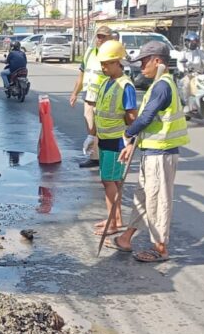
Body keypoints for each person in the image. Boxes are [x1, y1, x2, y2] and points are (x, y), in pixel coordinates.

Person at [110, 41, 189, 263]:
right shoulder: (157, 84)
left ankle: (160, 248)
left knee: (158, 201)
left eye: (144, 62)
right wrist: (132, 143)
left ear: (157, 60)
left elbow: (145, 118)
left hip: (161, 154)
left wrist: (127, 135)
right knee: (143, 198)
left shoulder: (163, 86)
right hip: (151, 152)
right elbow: (149, 121)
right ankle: (126, 238)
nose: (141, 67)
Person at [90, 41, 138, 236]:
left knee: (109, 181)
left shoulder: (126, 86)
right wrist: (91, 135)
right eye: (102, 64)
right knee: (112, 181)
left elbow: (132, 116)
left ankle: (113, 223)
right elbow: (98, 110)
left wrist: (130, 140)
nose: (104, 67)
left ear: (119, 62)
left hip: (117, 141)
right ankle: (115, 219)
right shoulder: (106, 82)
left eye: (108, 63)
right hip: (104, 138)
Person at [70, 25, 113, 169]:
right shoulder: (90, 52)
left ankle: (104, 157)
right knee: (90, 125)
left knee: (102, 128)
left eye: (103, 37)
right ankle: (95, 157)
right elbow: (81, 74)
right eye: (98, 36)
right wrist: (75, 93)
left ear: (110, 38)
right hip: (89, 96)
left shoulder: (112, 54)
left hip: (104, 98)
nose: (100, 39)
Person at [178, 32, 204, 113]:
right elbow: (179, 64)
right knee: (186, 85)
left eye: (196, 42)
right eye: (193, 42)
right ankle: (187, 105)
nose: (194, 44)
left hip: (199, 75)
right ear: (187, 42)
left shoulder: (199, 52)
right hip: (187, 75)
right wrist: (184, 70)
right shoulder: (183, 53)